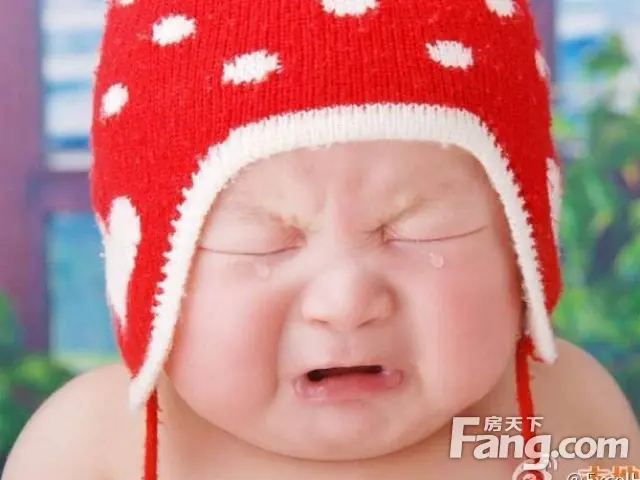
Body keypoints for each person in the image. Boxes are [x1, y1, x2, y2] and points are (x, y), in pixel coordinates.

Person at [4, 1, 640, 479]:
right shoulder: (90, 449)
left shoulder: (563, 420)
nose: (346, 301)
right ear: (144, 276)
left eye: (419, 229)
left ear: (523, 246)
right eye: (262, 242)